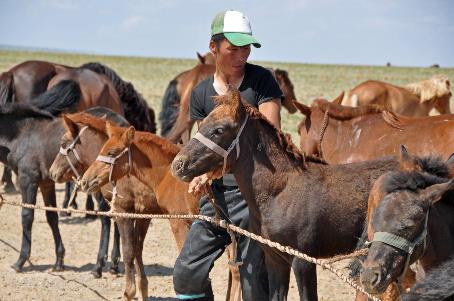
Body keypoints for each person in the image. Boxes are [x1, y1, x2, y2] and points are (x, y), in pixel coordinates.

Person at [172, 10, 283, 301]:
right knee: (186, 274)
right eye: (233, 49)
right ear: (213, 47)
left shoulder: (262, 82)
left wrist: (214, 169)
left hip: (255, 197)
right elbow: (207, 149)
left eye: (246, 48)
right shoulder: (200, 94)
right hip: (218, 197)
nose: (241, 55)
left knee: (253, 286)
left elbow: (270, 140)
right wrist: (203, 173)